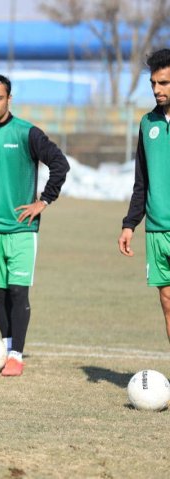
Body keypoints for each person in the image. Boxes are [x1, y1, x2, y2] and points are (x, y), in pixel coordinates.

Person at [0, 72, 69, 376]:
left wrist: (43, 201)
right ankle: (7, 347)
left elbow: (60, 164)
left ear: (9, 98)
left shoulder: (26, 133)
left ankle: (16, 355)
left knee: (18, 291)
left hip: (22, 229)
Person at [119, 48, 170, 344]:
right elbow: (142, 181)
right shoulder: (147, 123)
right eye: (153, 83)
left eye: (164, 83)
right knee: (166, 304)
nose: (156, 89)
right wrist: (129, 224)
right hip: (156, 230)